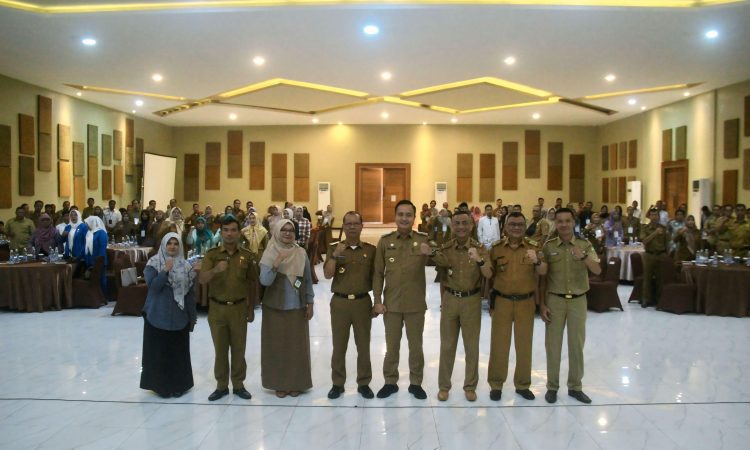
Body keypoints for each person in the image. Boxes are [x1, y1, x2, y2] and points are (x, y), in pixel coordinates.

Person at [539, 208, 601, 405]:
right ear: (555, 223)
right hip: (555, 300)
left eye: (567, 221)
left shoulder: (584, 244)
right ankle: (552, 387)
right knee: (553, 345)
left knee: (576, 345)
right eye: (560, 221)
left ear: (574, 222)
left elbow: (597, 270)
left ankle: (575, 387)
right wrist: (542, 304)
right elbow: (542, 278)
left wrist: (583, 257)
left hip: (578, 300)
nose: (564, 224)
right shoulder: (549, 246)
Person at [372, 200, 432, 400]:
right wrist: (377, 300)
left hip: (415, 304)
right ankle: (390, 382)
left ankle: (416, 383)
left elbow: (440, 260)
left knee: (416, 347)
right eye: (401, 214)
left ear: (414, 218)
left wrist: (431, 252)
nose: (404, 218)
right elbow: (378, 273)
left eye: (408, 215)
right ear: (395, 217)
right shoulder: (385, 241)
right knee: (392, 347)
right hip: (392, 305)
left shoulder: (423, 240)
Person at [432, 209, 492, 402]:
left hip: (471, 300)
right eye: (457, 223)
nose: (461, 227)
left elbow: (489, 274)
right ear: (452, 226)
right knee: (447, 345)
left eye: (465, 223)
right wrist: (443, 300)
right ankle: (444, 386)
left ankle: (470, 386)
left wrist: (479, 260)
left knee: (471, 346)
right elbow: (441, 275)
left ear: (472, 225)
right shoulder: (446, 248)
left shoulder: (480, 248)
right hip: (450, 299)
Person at [487, 212, 544, 402]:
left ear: (525, 227)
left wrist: (537, 260)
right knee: (499, 345)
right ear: (505, 227)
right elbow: (489, 276)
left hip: (525, 302)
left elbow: (543, 271)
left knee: (524, 345)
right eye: (512, 224)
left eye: (520, 224)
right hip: (502, 301)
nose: (516, 228)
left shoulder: (534, 247)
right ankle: (496, 384)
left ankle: (522, 384)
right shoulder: (496, 248)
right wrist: (490, 302)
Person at [199, 216, 255, 402]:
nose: (229, 234)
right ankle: (221, 386)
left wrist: (251, 309)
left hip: (239, 308)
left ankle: (238, 385)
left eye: (233, 230)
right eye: (226, 230)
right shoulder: (212, 255)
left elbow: (252, 283)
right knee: (220, 350)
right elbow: (202, 279)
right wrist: (216, 270)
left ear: (239, 233)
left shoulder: (246, 255)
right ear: (221, 232)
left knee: (239, 349)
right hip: (218, 309)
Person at [323, 211, 376, 400]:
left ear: (362, 226)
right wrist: (335, 256)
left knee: (363, 346)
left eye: (356, 223)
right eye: (348, 224)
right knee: (339, 346)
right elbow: (327, 275)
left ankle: (364, 383)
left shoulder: (371, 250)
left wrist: (377, 301)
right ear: (344, 226)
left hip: (362, 302)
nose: (352, 227)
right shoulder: (334, 248)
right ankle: (337, 384)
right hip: (340, 303)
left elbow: (376, 278)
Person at [259, 219, 315, 398]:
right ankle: (279, 383)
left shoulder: (300, 252)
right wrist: (277, 262)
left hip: (297, 306)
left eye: (291, 230)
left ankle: (295, 383)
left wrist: (310, 302)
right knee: (276, 346)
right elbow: (265, 281)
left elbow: (307, 279)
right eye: (283, 230)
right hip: (274, 307)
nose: (287, 233)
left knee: (296, 347)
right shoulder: (270, 252)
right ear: (276, 231)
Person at [140, 233, 197, 398]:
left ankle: (179, 385)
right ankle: (160, 387)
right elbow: (153, 288)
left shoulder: (186, 267)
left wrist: (192, 317)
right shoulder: (153, 263)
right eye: (169, 243)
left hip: (180, 317)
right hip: (157, 316)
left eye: (176, 243)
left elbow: (189, 295)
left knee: (178, 354)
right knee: (159, 353)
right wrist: (165, 270)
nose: (172, 246)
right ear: (163, 245)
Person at [639, 208, 670, 307]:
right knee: (647, 278)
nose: (654, 217)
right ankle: (645, 299)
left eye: (656, 215)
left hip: (661, 254)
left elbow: (667, 243)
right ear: (649, 216)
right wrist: (655, 233)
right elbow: (644, 241)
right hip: (649, 254)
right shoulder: (645, 228)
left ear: (659, 217)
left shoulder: (664, 228)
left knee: (661, 278)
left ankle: (659, 300)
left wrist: (667, 255)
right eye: (652, 215)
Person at [84, 216, 109, 297]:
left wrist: (98, 262)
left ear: (92, 223)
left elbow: (102, 248)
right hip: (90, 261)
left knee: (101, 279)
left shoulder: (101, 233)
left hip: (99, 261)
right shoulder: (89, 233)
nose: (86, 225)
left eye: (87, 223)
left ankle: (103, 296)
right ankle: (95, 297)